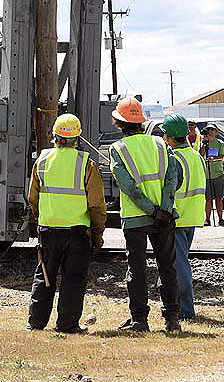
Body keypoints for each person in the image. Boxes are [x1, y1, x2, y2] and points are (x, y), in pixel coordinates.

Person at [108, 96, 183, 333]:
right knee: (167, 267)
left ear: (119, 123)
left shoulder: (118, 149)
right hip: (165, 217)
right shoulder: (161, 145)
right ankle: (172, 319)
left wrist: (151, 211)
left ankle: (140, 320)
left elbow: (128, 187)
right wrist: (164, 210)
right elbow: (173, 178)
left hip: (136, 220)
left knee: (137, 269)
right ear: (141, 121)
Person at [26, 114, 107, 333]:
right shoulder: (86, 164)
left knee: (44, 276)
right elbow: (97, 204)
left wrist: (42, 218)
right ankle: (67, 325)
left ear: (54, 136)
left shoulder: (41, 161)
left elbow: (33, 198)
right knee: (73, 279)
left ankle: (36, 323)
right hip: (78, 233)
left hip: (49, 230)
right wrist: (98, 233)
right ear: (77, 138)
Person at [162, 114, 206, 320]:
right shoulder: (196, 155)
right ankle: (175, 302)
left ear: (170, 137)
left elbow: (170, 189)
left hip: (178, 217)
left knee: (180, 266)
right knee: (180, 262)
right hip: (193, 216)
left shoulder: (174, 159)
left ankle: (186, 310)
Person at [200, 123, 224, 227]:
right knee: (208, 199)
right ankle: (207, 219)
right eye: (209, 130)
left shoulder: (219, 143)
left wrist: (214, 159)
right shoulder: (203, 143)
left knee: (218, 198)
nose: (210, 131)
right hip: (207, 175)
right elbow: (200, 154)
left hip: (218, 174)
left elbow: (222, 155)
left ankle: (220, 219)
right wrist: (204, 144)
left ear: (217, 132)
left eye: (212, 130)